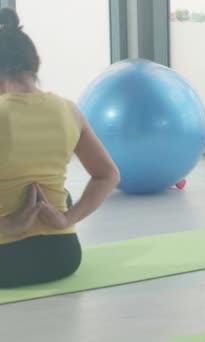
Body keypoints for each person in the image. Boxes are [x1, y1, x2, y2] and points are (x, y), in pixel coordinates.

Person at [0, 8, 120, 288]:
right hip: (62, 258)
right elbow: (108, 175)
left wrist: (6, 224)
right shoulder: (69, 110)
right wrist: (67, 217)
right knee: (58, 190)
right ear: (35, 65)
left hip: (4, 265)